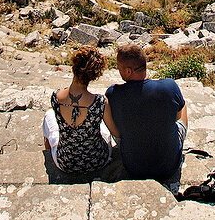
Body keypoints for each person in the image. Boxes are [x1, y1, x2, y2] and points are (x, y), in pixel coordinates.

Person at [103, 44, 188, 193]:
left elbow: (115, 131)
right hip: (168, 168)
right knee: (183, 106)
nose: (118, 71)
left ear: (128, 71)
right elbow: (177, 115)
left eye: (119, 67)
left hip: (134, 168)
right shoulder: (169, 87)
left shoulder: (113, 93)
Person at [41, 45, 113, 180]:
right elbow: (115, 132)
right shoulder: (100, 102)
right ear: (94, 75)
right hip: (97, 162)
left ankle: (48, 153)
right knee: (104, 126)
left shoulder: (56, 97)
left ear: (73, 67)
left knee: (49, 115)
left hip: (65, 162)